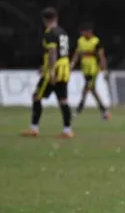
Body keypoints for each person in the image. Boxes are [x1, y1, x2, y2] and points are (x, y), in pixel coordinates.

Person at [21, 7, 74, 138]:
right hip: (64, 69)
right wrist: (44, 67)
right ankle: (68, 131)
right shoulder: (63, 32)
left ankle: (34, 129)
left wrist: (50, 71)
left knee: (36, 97)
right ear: (56, 18)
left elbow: (52, 53)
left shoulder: (49, 33)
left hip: (54, 69)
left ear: (45, 20)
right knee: (63, 100)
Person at [69, 23, 111, 120]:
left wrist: (104, 70)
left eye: (84, 32)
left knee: (87, 87)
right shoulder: (80, 41)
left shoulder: (96, 41)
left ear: (89, 32)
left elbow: (101, 56)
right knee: (92, 89)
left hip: (93, 69)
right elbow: (77, 53)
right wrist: (72, 64)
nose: (83, 34)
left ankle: (78, 110)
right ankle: (104, 111)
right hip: (85, 68)